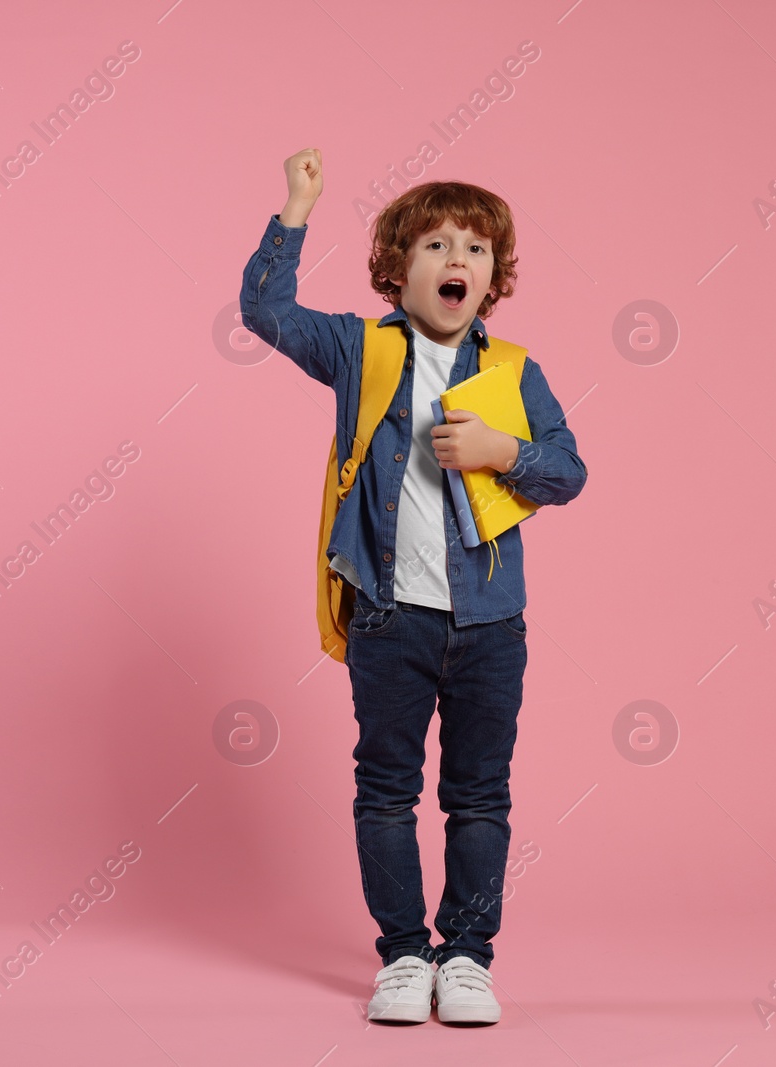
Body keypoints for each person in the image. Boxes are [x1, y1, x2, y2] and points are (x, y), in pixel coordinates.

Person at [238, 148, 587, 1025]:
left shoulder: (512, 369)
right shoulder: (361, 349)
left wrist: (504, 453)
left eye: (474, 247)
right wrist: (296, 209)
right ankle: (402, 956)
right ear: (399, 269)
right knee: (386, 788)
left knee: (480, 795)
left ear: (493, 275)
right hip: (389, 617)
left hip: (489, 623)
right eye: (435, 244)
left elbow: (570, 472)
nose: (455, 260)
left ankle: (466, 955)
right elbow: (265, 310)